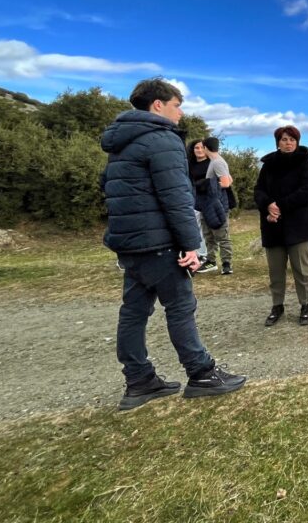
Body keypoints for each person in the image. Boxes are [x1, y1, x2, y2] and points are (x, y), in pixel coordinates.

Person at [101, 77, 245, 410]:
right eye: (177, 105)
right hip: (160, 242)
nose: (180, 113)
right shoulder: (160, 139)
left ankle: (139, 381)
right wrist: (192, 246)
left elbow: (108, 187)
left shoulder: (121, 142)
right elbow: (177, 199)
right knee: (180, 307)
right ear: (158, 105)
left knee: (133, 313)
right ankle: (202, 373)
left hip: (130, 243)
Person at [253, 125, 308, 327]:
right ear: (277, 142)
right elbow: (259, 190)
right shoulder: (268, 164)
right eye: (284, 139)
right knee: (276, 271)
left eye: (291, 139)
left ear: (297, 142)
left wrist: (279, 205)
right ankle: (277, 306)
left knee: (302, 270)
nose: (288, 143)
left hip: (298, 225)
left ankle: (306, 305)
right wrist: (268, 205)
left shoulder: (305, 162)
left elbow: (307, 190)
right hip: (273, 225)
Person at [200, 136, 234, 275]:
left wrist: (208, 186)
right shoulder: (217, 161)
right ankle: (211, 261)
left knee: (221, 235)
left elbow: (226, 182)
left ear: (205, 148)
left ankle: (226, 264)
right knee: (209, 235)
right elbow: (230, 179)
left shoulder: (217, 162)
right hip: (210, 204)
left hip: (216, 204)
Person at [185, 139, 211, 270]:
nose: (199, 150)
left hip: (209, 201)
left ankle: (211, 259)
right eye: (196, 148)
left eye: (202, 148)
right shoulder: (189, 164)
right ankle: (200, 254)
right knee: (196, 228)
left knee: (211, 231)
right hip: (193, 201)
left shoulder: (212, 163)